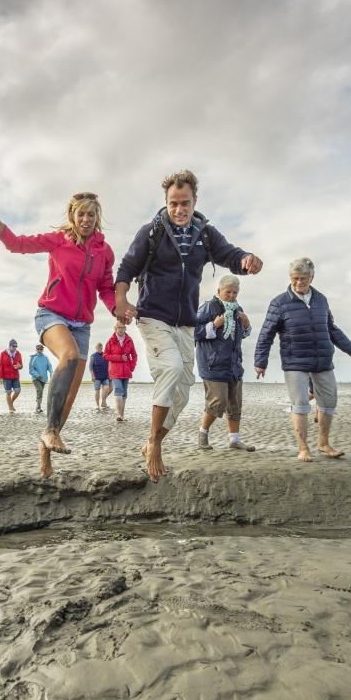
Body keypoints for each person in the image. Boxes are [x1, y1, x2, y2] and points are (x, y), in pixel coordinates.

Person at [113, 169, 262, 481]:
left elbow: (229, 254)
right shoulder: (150, 232)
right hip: (153, 316)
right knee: (170, 369)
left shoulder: (205, 234)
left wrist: (247, 259)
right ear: (166, 202)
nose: (179, 209)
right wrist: (122, 301)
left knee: (181, 391)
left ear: (195, 201)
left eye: (185, 203)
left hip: (185, 324)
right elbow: (127, 267)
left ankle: (154, 440)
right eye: (173, 203)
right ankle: (154, 445)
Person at [0, 192, 118, 477]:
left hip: (82, 324)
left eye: (91, 214)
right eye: (81, 214)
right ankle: (52, 431)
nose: (86, 219)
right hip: (51, 314)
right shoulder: (58, 240)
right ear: (72, 215)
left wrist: (118, 308)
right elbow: (18, 245)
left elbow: (105, 287)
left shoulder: (105, 251)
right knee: (67, 356)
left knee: (70, 395)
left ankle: (47, 445)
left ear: (97, 218)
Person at [254, 257, 351, 461]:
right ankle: (303, 448)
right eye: (295, 278)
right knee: (300, 404)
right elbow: (266, 333)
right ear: (290, 278)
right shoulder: (279, 302)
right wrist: (260, 362)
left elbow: (331, 329)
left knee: (329, 402)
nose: (299, 283)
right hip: (295, 361)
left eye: (303, 279)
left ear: (312, 278)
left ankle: (323, 444)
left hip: (322, 360)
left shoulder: (321, 299)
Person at [195, 275, 255, 451]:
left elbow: (241, 335)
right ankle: (202, 436)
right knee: (217, 402)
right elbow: (193, 332)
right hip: (212, 364)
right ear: (218, 291)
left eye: (235, 292)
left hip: (234, 364)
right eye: (228, 292)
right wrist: (213, 324)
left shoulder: (238, 309)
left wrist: (246, 324)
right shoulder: (208, 307)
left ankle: (234, 440)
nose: (231, 295)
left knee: (235, 403)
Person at [103, 321, 137, 422]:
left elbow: (134, 355)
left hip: (126, 370)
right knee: (118, 390)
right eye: (119, 327)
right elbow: (106, 355)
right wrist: (120, 358)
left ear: (125, 329)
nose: (121, 329)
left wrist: (132, 367)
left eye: (123, 327)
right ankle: (119, 415)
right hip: (114, 371)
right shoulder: (110, 341)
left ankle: (122, 415)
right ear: (115, 329)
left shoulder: (129, 340)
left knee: (124, 393)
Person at [0, 339, 23, 413]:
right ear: (9, 346)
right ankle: (10, 408)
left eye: (16, 346)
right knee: (8, 392)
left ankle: (11, 403)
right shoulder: (3, 353)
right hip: (6, 376)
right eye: (13, 346)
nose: (15, 347)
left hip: (15, 376)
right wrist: (0, 376)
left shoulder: (18, 353)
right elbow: (0, 365)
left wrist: (19, 366)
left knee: (18, 391)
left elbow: (21, 365)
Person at [28, 343, 53, 414]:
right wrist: (37, 375)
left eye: (41, 349)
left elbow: (49, 366)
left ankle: (39, 406)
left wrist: (51, 372)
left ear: (43, 349)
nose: (39, 350)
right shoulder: (33, 357)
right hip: (36, 378)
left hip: (44, 378)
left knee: (40, 392)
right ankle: (37, 408)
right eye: (38, 349)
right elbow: (31, 369)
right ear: (36, 349)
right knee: (39, 390)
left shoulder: (45, 357)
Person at [89, 343, 111, 410]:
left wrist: (110, 374)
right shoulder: (93, 356)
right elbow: (90, 367)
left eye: (101, 348)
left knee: (107, 388)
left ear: (102, 348)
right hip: (97, 377)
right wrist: (92, 376)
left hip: (105, 376)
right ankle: (97, 405)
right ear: (96, 348)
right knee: (97, 390)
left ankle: (103, 402)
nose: (100, 349)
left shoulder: (105, 355)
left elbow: (109, 365)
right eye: (98, 348)